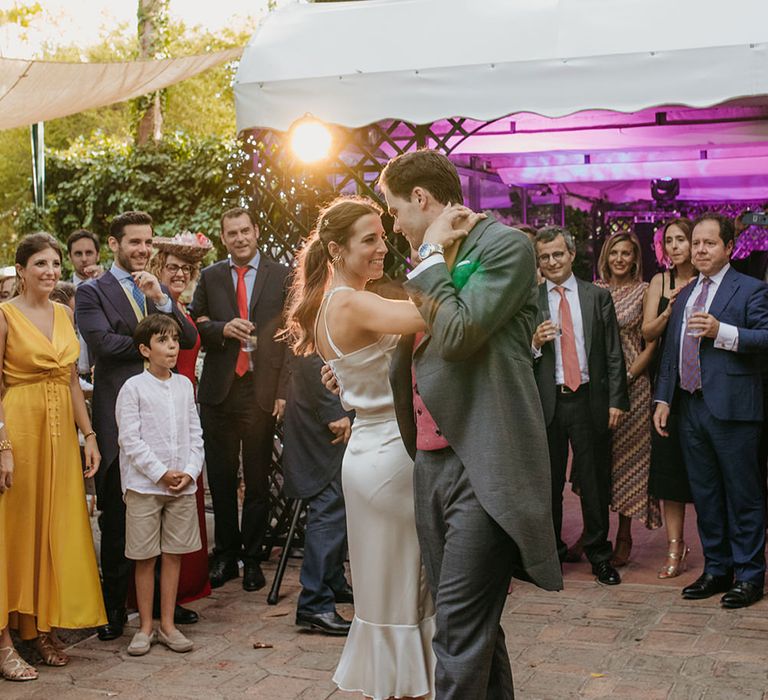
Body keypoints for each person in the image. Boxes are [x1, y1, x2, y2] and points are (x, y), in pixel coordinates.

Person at [380, 150, 563, 699]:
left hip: (485, 459)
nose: (392, 224)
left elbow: (458, 337)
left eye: (393, 210)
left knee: (458, 633)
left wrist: (432, 254)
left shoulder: (505, 246)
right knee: (474, 627)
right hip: (432, 463)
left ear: (420, 199)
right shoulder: (424, 261)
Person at [285, 195, 437, 699]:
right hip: (391, 452)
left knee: (392, 587)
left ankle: (400, 685)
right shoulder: (349, 301)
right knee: (405, 588)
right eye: (369, 239)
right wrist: (439, 248)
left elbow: (363, 369)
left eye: (382, 236)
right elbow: (429, 314)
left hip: (370, 449)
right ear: (335, 249)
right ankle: (408, 688)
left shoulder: (332, 304)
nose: (382, 248)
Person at [75, 211, 198, 641]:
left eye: (148, 243)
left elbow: (185, 338)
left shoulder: (157, 289)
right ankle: (113, 609)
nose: (143, 250)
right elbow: (102, 343)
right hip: (116, 414)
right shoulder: (92, 292)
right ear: (114, 244)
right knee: (119, 513)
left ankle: (166, 608)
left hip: (165, 417)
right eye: (134, 243)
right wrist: (152, 346)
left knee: (166, 506)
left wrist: (163, 304)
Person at [0, 233, 105, 682]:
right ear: (21, 270)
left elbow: (68, 382)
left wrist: (90, 436)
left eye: (55, 264)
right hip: (19, 430)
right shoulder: (4, 316)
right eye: (40, 263)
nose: (49, 271)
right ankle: (4, 641)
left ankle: (40, 628)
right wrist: (2, 448)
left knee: (53, 529)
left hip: (61, 435)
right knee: (14, 533)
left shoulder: (64, 313)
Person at [654, 213, 768, 609]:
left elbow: (765, 338)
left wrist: (724, 332)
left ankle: (750, 575)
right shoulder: (684, 295)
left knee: (744, 495)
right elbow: (671, 352)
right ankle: (717, 569)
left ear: (729, 248)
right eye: (695, 243)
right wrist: (664, 399)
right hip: (690, 408)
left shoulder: (751, 289)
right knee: (705, 495)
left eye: (708, 243)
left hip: (734, 411)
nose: (699, 250)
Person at [190, 207, 289, 592]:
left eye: (245, 230)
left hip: (261, 389)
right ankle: (227, 555)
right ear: (223, 237)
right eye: (231, 233)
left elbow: (291, 335)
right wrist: (222, 328)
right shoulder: (212, 276)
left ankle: (253, 558)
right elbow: (194, 323)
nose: (240, 238)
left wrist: (283, 390)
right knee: (223, 478)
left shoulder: (280, 275)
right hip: (220, 392)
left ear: (257, 231)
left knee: (259, 480)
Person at [531, 226, 628, 585]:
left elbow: (614, 353)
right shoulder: (531, 300)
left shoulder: (595, 297)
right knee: (549, 484)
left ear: (572, 255)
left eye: (558, 254)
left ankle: (599, 555)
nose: (553, 261)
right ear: (539, 263)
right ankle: (551, 556)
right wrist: (534, 343)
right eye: (545, 257)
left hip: (589, 399)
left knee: (593, 482)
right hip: (549, 401)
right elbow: (518, 356)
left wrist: (617, 400)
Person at [116, 314, 204, 656]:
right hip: (145, 487)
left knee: (173, 555)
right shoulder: (133, 388)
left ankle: (168, 625)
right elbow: (130, 439)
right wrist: (159, 472)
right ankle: (145, 627)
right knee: (145, 557)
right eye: (163, 341)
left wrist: (189, 471)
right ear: (144, 349)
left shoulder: (184, 385)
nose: (172, 347)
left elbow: (195, 433)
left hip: (181, 486)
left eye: (174, 340)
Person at [148, 232, 213, 603]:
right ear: (159, 267)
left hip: (188, 404)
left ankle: (185, 588)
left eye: (186, 269)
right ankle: (158, 595)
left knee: (189, 493)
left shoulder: (182, 307)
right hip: (163, 405)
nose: (179, 274)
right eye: (172, 267)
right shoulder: (157, 306)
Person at [596, 232, 661, 566]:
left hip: (633, 385)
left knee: (629, 461)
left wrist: (627, 378)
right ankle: (594, 534)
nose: (620, 259)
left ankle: (624, 534)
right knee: (595, 463)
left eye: (626, 254)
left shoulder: (645, 290)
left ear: (635, 259)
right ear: (606, 257)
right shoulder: (594, 290)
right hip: (597, 387)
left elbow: (652, 344)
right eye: (614, 253)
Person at [281, 351, 354, 636]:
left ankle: (333, 581)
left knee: (339, 499)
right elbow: (310, 355)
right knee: (329, 502)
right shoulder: (318, 307)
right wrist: (334, 411)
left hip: (321, 408)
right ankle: (314, 602)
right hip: (318, 417)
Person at [642, 219, 696, 578]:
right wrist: (668, 311)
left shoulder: (710, 281)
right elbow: (648, 331)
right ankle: (675, 547)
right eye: (669, 241)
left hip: (702, 381)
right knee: (670, 471)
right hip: (666, 384)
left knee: (704, 471)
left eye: (682, 240)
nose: (675, 246)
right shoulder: (662, 282)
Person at [67, 229, 103, 383]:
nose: (84, 259)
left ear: (98, 255)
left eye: (89, 253)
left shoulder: (108, 286)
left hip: (101, 370)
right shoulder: (61, 292)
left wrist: (102, 283)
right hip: (71, 373)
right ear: (69, 257)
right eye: (78, 253)